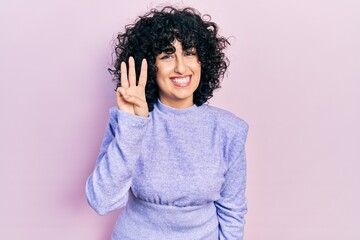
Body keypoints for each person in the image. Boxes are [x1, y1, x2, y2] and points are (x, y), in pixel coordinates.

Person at [86, 6, 249, 240]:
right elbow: (101, 201)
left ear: (203, 60)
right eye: (167, 55)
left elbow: (233, 213)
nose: (181, 67)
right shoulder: (126, 120)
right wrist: (134, 125)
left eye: (190, 53)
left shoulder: (229, 130)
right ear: (150, 66)